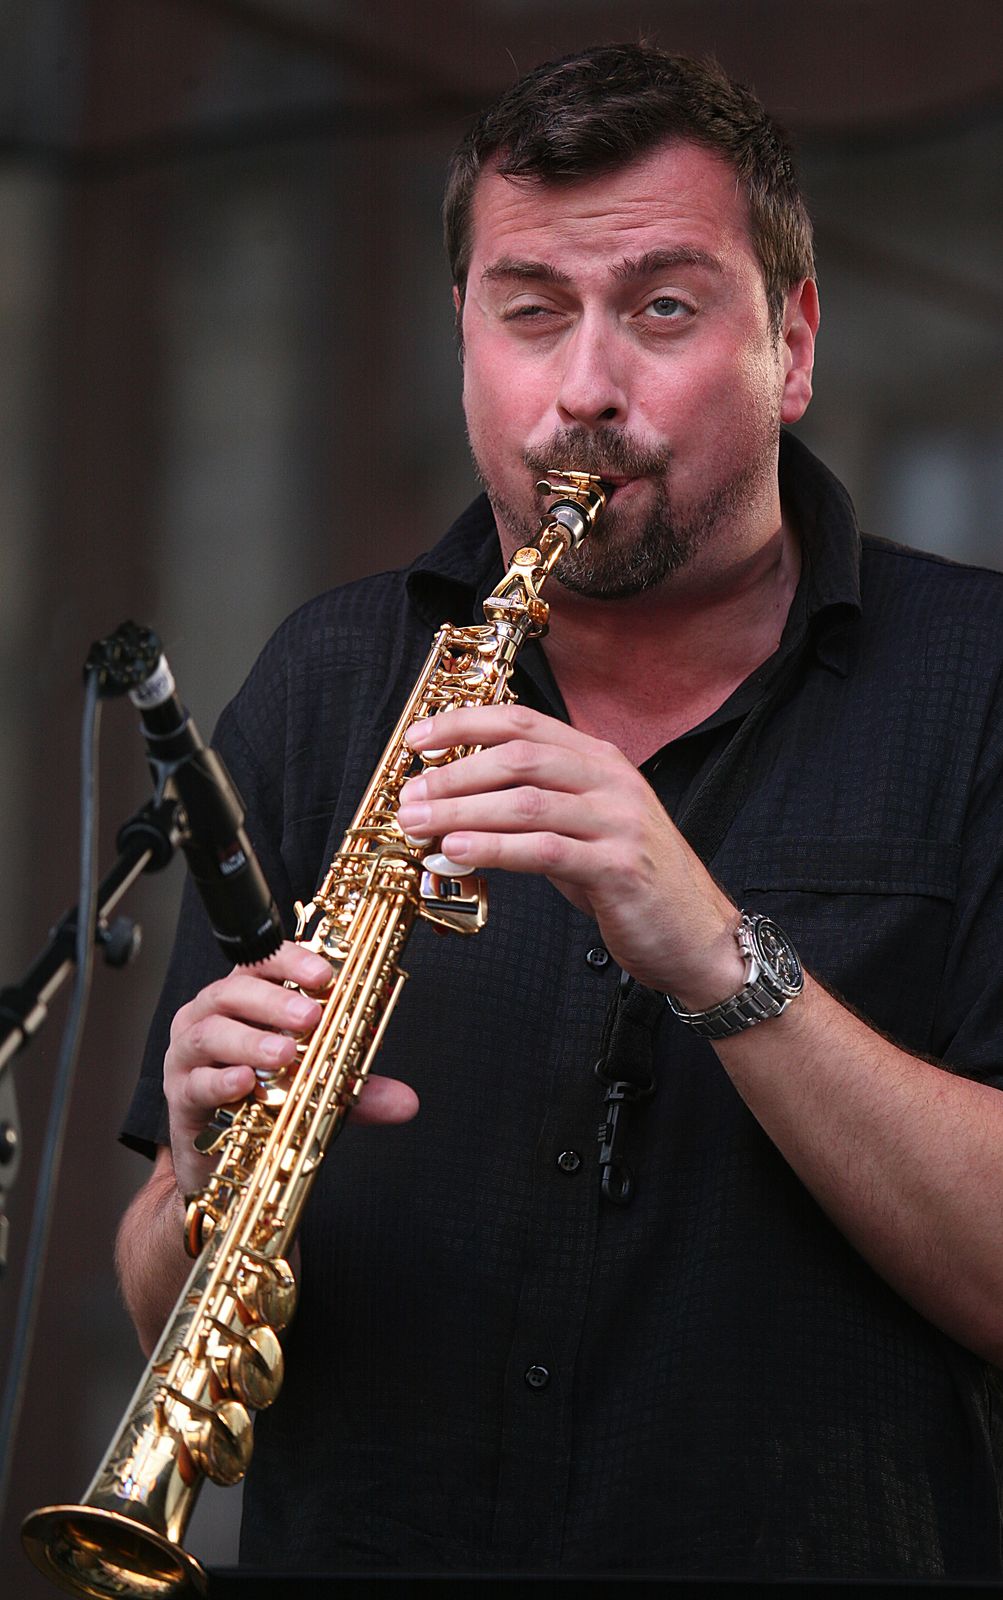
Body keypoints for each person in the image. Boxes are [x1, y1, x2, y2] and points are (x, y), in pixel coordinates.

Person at [117, 44, 1003, 1579]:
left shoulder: (980, 683)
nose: (585, 389)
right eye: (532, 312)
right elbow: (162, 1304)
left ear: (792, 345)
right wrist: (202, 1181)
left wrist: (722, 958)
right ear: (464, 340)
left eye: (661, 310)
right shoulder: (329, 681)